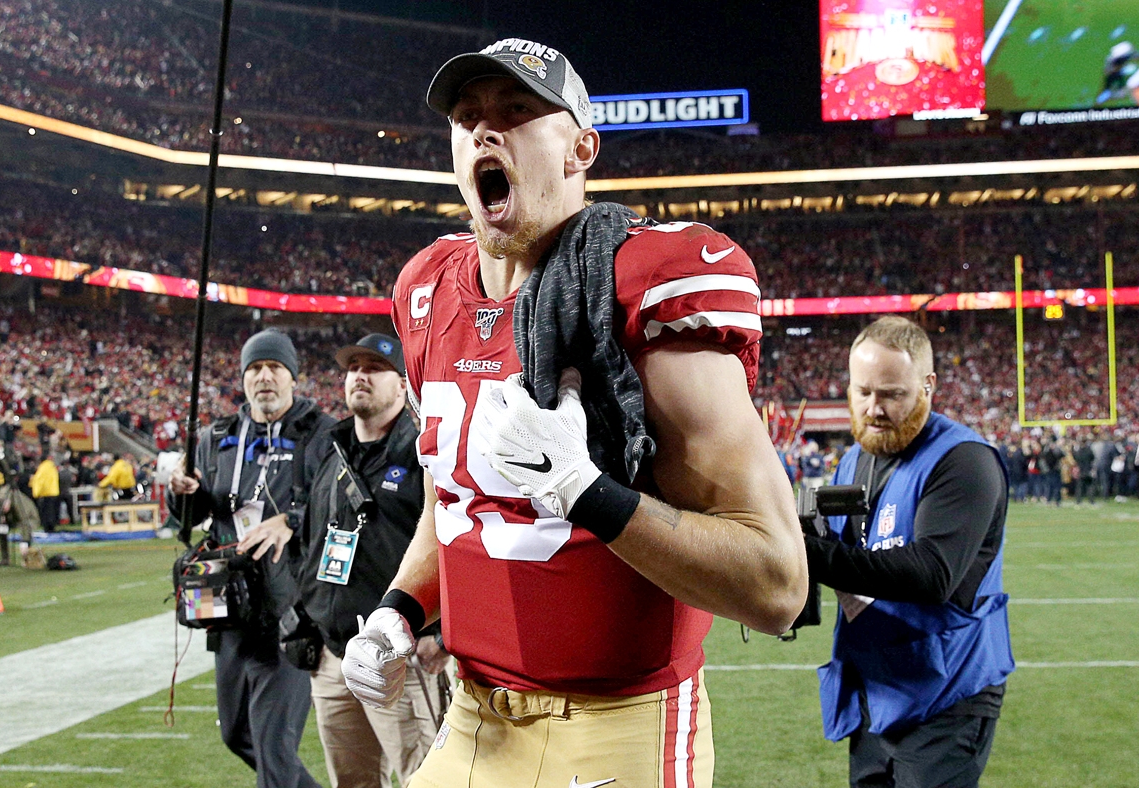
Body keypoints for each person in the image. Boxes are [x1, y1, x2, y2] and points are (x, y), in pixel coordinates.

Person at [341, 40, 807, 788]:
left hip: (619, 722)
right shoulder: (425, 288)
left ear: (581, 148)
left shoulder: (645, 284)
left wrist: (585, 491)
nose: (487, 131)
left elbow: (778, 585)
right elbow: (452, 501)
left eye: (518, 111)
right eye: (468, 118)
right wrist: (398, 612)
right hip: (473, 717)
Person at [803, 317, 1013, 788]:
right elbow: (846, 548)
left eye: (892, 395)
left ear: (927, 386)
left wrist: (804, 552)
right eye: (863, 392)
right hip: (875, 685)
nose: (874, 408)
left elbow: (931, 574)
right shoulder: (856, 456)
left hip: (948, 688)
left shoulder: (965, 461)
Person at [169, 329, 335, 788]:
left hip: (290, 607)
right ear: (243, 378)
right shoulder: (216, 436)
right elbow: (191, 516)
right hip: (227, 606)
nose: (264, 377)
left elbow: (337, 506)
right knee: (236, 733)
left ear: (292, 378)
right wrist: (182, 493)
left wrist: (291, 521)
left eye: (274, 368)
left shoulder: (320, 433)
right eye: (255, 369)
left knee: (273, 746)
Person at [297, 334, 447, 788]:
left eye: (375, 367)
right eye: (353, 367)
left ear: (403, 384)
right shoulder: (330, 449)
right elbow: (312, 542)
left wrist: (442, 631)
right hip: (334, 655)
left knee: (424, 778)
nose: (359, 375)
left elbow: (453, 543)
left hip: (401, 653)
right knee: (351, 783)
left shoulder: (425, 450)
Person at [31, 454, 61, 531]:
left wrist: (36, 493)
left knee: (46, 513)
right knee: (53, 512)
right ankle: (53, 527)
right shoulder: (52, 467)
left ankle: (47, 528)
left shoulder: (42, 468)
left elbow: (39, 481)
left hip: (46, 493)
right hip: (54, 492)